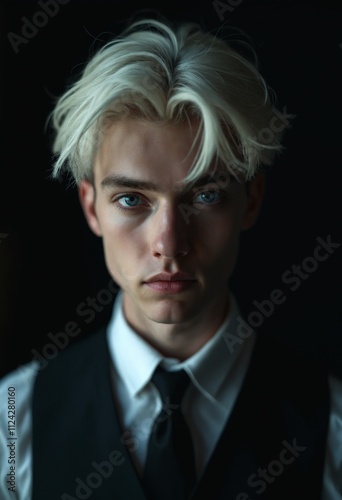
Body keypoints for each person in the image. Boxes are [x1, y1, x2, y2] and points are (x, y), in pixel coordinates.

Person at [0, 14, 341, 500]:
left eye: (204, 196)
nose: (169, 243)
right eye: (132, 200)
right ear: (90, 206)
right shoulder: (13, 419)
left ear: (253, 199)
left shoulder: (331, 423)